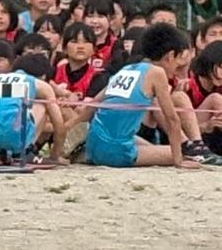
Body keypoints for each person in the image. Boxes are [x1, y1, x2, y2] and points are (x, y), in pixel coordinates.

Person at [83, 23, 204, 168]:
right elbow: (172, 120)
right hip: (116, 153)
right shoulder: (157, 73)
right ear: (170, 56)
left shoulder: (127, 69)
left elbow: (92, 105)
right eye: (178, 63)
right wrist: (178, 161)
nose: (177, 70)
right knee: (185, 154)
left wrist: (65, 131)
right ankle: (193, 150)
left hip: (93, 146)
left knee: (137, 140)